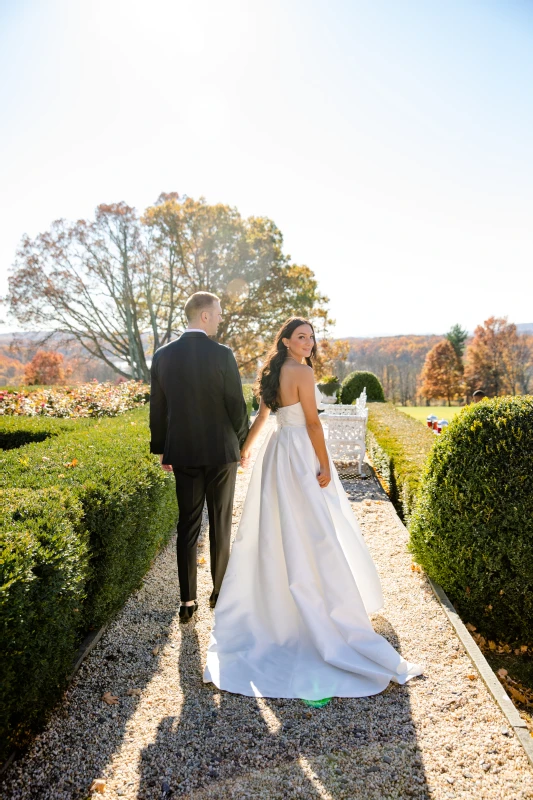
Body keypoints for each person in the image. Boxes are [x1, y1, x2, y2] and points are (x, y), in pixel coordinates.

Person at [203, 317, 422, 700]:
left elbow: (263, 417)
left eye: (311, 336)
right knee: (315, 528)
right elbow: (314, 425)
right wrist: (325, 463)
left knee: (279, 527)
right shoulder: (301, 372)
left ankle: (282, 604)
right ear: (286, 340)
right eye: (301, 336)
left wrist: (247, 449)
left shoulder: (272, 371)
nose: (309, 342)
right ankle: (317, 605)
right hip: (301, 453)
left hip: (277, 453)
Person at [149, 292, 249, 623]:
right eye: (218, 313)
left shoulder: (163, 355)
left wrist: (162, 447)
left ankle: (187, 602)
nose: (220, 318)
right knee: (220, 523)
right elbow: (236, 403)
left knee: (188, 525)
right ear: (204, 316)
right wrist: (243, 443)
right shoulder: (222, 354)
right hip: (221, 452)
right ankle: (220, 593)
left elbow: (158, 407)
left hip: (184, 453)